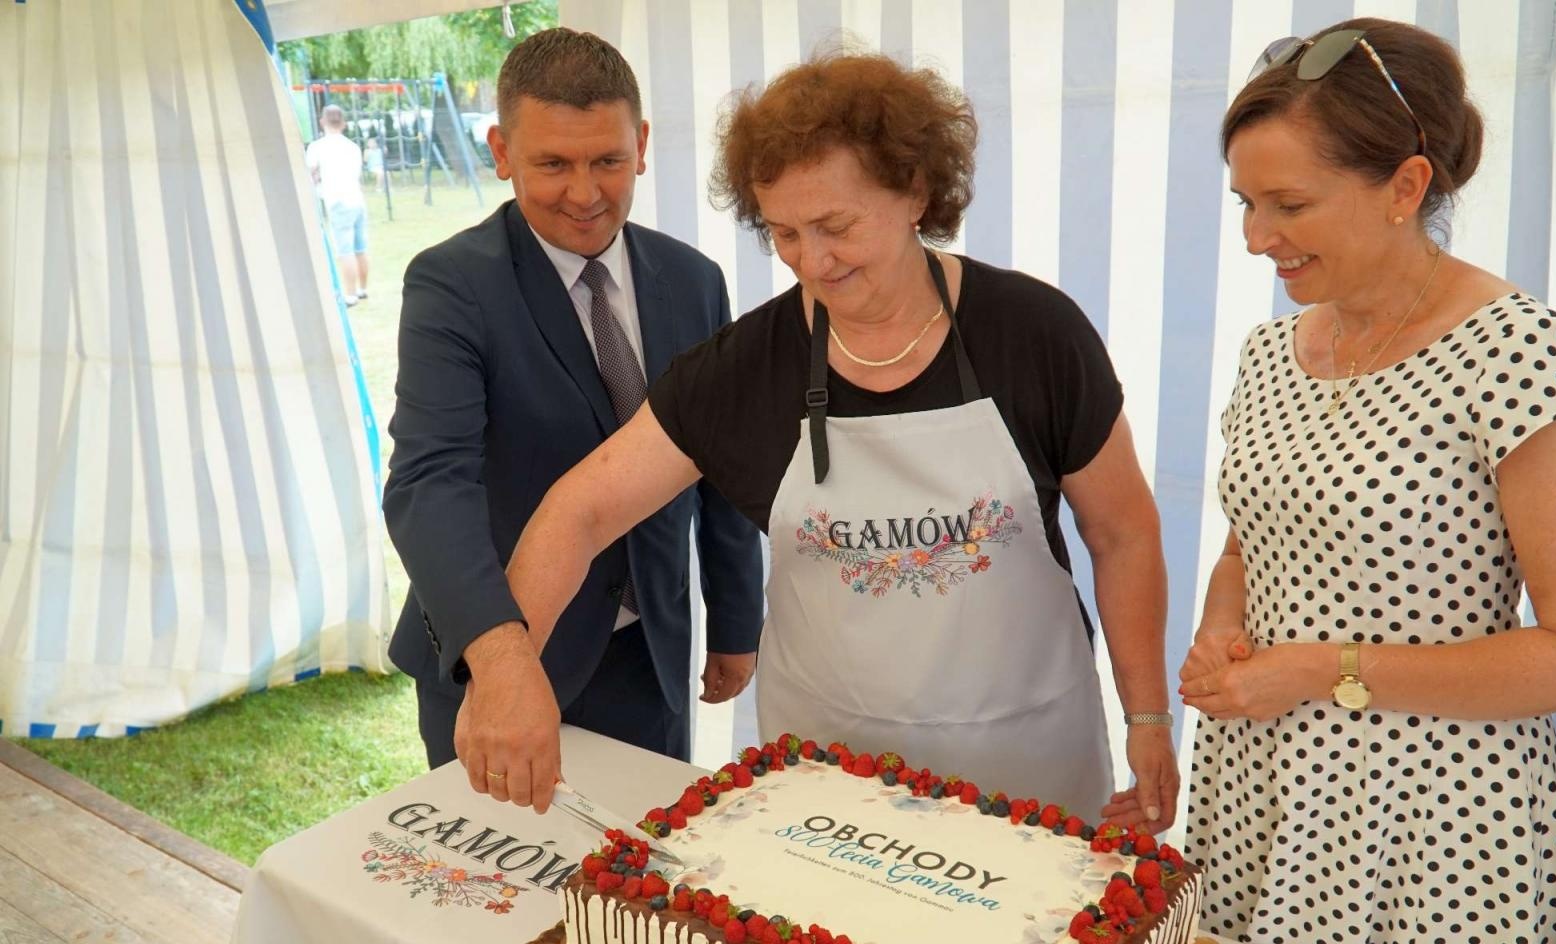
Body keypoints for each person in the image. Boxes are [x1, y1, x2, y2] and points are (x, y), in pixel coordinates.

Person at [461, 51, 1180, 832]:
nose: (814, 262)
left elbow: (1122, 530)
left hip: (1027, 759)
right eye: (785, 234)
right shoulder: (743, 370)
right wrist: (504, 665)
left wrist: (1147, 718)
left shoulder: (1036, 334)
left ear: (915, 192)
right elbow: (580, 511)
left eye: (836, 226)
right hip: (832, 787)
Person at [1179, 17, 1556, 944]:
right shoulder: (1272, 351)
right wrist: (1220, 629)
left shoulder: (1519, 353)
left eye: (1289, 205)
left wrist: (1322, 669)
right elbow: (1256, 536)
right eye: (1245, 202)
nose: (1254, 238)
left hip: (1433, 823)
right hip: (1264, 786)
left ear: (1405, 188)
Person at [384, 29, 764, 778]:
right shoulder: (451, 287)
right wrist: (501, 657)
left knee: (637, 883)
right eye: (553, 164)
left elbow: (722, 467)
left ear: (642, 144)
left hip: (650, 652)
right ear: (500, 151)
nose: (585, 193)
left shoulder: (694, 281)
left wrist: (735, 620)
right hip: (502, 655)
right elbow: (430, 485)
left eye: (608, 161)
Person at [304, 105, 370, 306]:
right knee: (361, 248)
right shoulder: (352, 147)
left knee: (345, 250)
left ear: (322, 121)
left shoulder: (317, 147)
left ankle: (349, 295)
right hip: (357, 200)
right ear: (343, 123)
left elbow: (310, 173)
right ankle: (362, 289)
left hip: (338, 201)